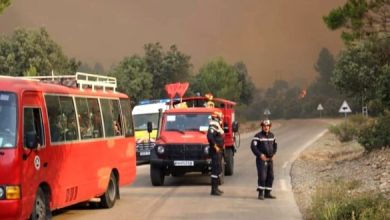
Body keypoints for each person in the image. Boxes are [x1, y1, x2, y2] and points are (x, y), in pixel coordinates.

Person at [250, 119, 277, 200]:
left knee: (270, 176)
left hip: (270, 159)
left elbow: (275, 146)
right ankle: (261, 193)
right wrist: (260, 155)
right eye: (264, 126)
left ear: (270, 127)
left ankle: (267, 193)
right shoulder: (257, 136)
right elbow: (253, 147)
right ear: (262, 127)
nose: (266, 127)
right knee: (262, 176)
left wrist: (274, 154)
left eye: (267, 126)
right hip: (261, 160)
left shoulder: (272, 136)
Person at [207, 111, 225, 196]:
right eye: (220, 117)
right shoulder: (213, 125)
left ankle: (216, 188)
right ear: (216, 118)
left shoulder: (217, 126)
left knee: (218, 170)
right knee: (215, 170)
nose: (221, 119)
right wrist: (215, 146)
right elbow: (210, 137)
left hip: (219, 151)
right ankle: (213, 190)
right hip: (215, 152)